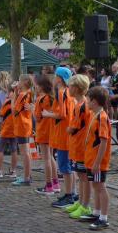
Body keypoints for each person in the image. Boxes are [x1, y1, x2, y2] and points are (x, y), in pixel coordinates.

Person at [82, 86, 113, 230]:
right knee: (95, 185)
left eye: (88, 100)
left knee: (100, 186)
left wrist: (97, 163)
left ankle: (104, 218)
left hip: (97, 161)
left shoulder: (102, 117)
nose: (86, 102)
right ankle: (97, 212)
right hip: (91, 159)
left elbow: (104, 141)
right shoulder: (95, 114)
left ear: (94, 101)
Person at [46, 67, 76, 208]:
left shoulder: (61, 92)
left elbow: (62, 114)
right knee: (68, 166)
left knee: (64, 166)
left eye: (55, 76)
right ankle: (72, 193)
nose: (53, 78)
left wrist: (48, 114)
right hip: (67, 133)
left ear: (59, 78)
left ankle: (69, 196)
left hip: (63, 134)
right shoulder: (69, 92)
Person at [64, 75, 93, 219]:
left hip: (81, 146)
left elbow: (74, 127)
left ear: (76, 88)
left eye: (70, 86)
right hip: (78, 145)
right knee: (80, 176)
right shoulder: (81, 104)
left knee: (84, 177)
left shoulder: (81, 106)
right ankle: (81, 202)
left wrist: (69, 129)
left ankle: (85, 206)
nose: (68, 88)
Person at [33, 75, 59, 195]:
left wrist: (32, 109)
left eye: (36, 85)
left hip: (43, 131)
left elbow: (37, 117)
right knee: (51, 157)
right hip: (51, 131)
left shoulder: (40, 99)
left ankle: (48, 186)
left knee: (46, 159)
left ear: (41, 86)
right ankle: (56, 183)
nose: (35, 87)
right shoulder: (51, 97)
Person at [11, 75, 34, 186]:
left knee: (25, 153)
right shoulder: (28, 93)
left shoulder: (22, 94)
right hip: (25, 124)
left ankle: (26, 177)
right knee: (27, 152)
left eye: (19, 80)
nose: (17, 82)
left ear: (25, 82)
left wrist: (13, 96)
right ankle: (28, 174)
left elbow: (14, 110)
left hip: (22, 125)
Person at [0, 84, 18, 178]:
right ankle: (13, 171)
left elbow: (1, 116)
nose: (6, 94)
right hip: (15, 128)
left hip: (6, 128)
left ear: (12, 93)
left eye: (8, 92)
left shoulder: (7, 102)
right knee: (14, 148)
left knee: (0, 148)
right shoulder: (18, 102)